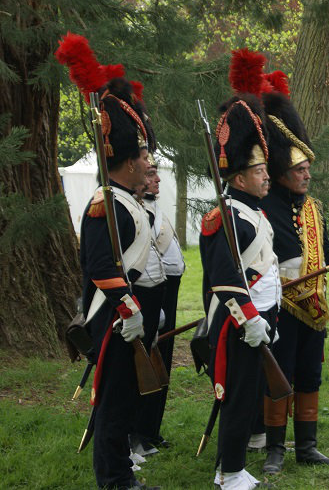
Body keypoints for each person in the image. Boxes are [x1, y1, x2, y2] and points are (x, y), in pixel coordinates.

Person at [56, 33, 159, 490]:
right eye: (143, 155)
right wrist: (126, 305)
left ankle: (121, 478)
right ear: (128, 161)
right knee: (113, 403)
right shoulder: (105, 203)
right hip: (113, 316)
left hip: (125, 314)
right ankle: (114, 481)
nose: (148, 161)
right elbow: (98, 264)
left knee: (123, 399)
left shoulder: (124, 199)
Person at [259, 73, 329, 471]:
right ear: (282, 173)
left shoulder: (313, 208)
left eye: (308, 168)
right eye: (300, 169)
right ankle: (275, 449)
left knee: (309, 376)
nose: (307, 174)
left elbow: (326, 254)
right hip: (281, 305)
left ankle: (306, 446)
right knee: (280, 377)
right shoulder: (264, 208)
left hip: (315, 306)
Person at [200, 51, 280, 490]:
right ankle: (228, 472)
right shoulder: (224, 217)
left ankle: (232, 466)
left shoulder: (253, 214)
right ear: (239, 176)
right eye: (258, 169)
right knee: (233, 399)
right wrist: (250, 318)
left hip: (258, 319)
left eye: (265, 168)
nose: (266, 176)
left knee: (248, 398)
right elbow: (225, 278)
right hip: (237, 323)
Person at [134, 151, 186, 453]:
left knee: (162, 362)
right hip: (154, 292)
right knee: (148, 363)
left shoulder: (154, 209)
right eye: (150, 173)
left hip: (170, 291)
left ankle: (151, 429)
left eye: (156, 173)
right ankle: (139, 431)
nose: (157, 179)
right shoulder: (138, 212)